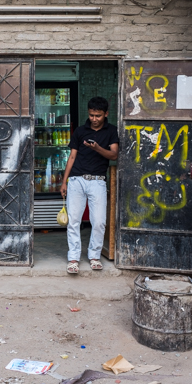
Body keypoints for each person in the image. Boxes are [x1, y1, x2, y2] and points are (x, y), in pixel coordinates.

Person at [60, 97, 119, 274]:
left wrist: (97, 148)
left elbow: (114, 155)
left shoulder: (111, 131)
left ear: (106, 114)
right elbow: (72, 157)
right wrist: (64, 181)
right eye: (91, 115)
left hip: (98, 181)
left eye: (98, 116)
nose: (94, 119)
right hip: (76, 180)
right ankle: (73, 258)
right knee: (73, 221)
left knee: (99, 222)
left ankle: (94, 256)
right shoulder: (80, 131)